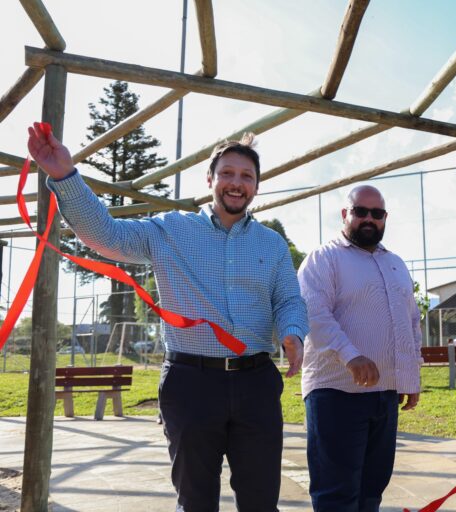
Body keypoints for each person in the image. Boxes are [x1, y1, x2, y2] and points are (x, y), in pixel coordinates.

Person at [27, 122, 308, 512]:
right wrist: (65, 175)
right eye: (227, 173)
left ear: (257, 186)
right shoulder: (171, 229)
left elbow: (289, 299)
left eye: (246, 176)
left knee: (261, 502)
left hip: (256, 384)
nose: (236, 183)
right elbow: (106, 235)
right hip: (190, 384)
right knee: (195, 502)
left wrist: (293, 332)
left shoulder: (272, 244)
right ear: (210, 178)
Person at [297, 185, 422, 512]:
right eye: (360, 212)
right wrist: (351, 355)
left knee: (372, 489)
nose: (369, 219)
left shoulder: (395, 263)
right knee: (337, 494)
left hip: (384, 396)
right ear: (345, 215)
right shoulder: (323, 258)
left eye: (376, 213)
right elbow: (313, 313)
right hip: (336, 394)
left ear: (385, 218)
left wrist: (410, 378)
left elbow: (411, 322)